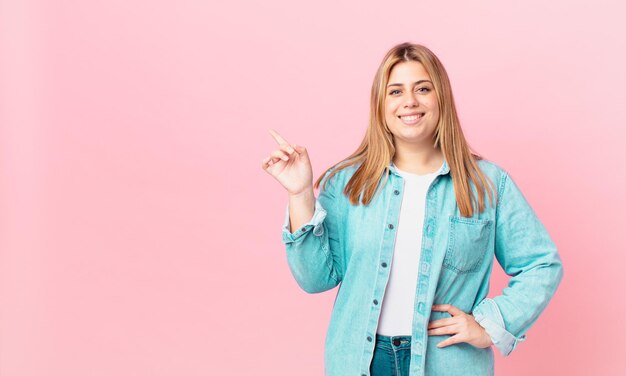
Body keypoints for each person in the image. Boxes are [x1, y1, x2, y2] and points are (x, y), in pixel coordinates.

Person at [261, 42, 564, 376]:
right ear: (380, 104)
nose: (410, 102)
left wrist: (490, 324)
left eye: (422, 88)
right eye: (395, 91)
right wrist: (301, 193)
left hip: (448, 363)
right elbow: (314, 279)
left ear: (441, 98)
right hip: (360, 362)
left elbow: (542, 264)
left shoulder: (487, 184)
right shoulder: (347, 183)